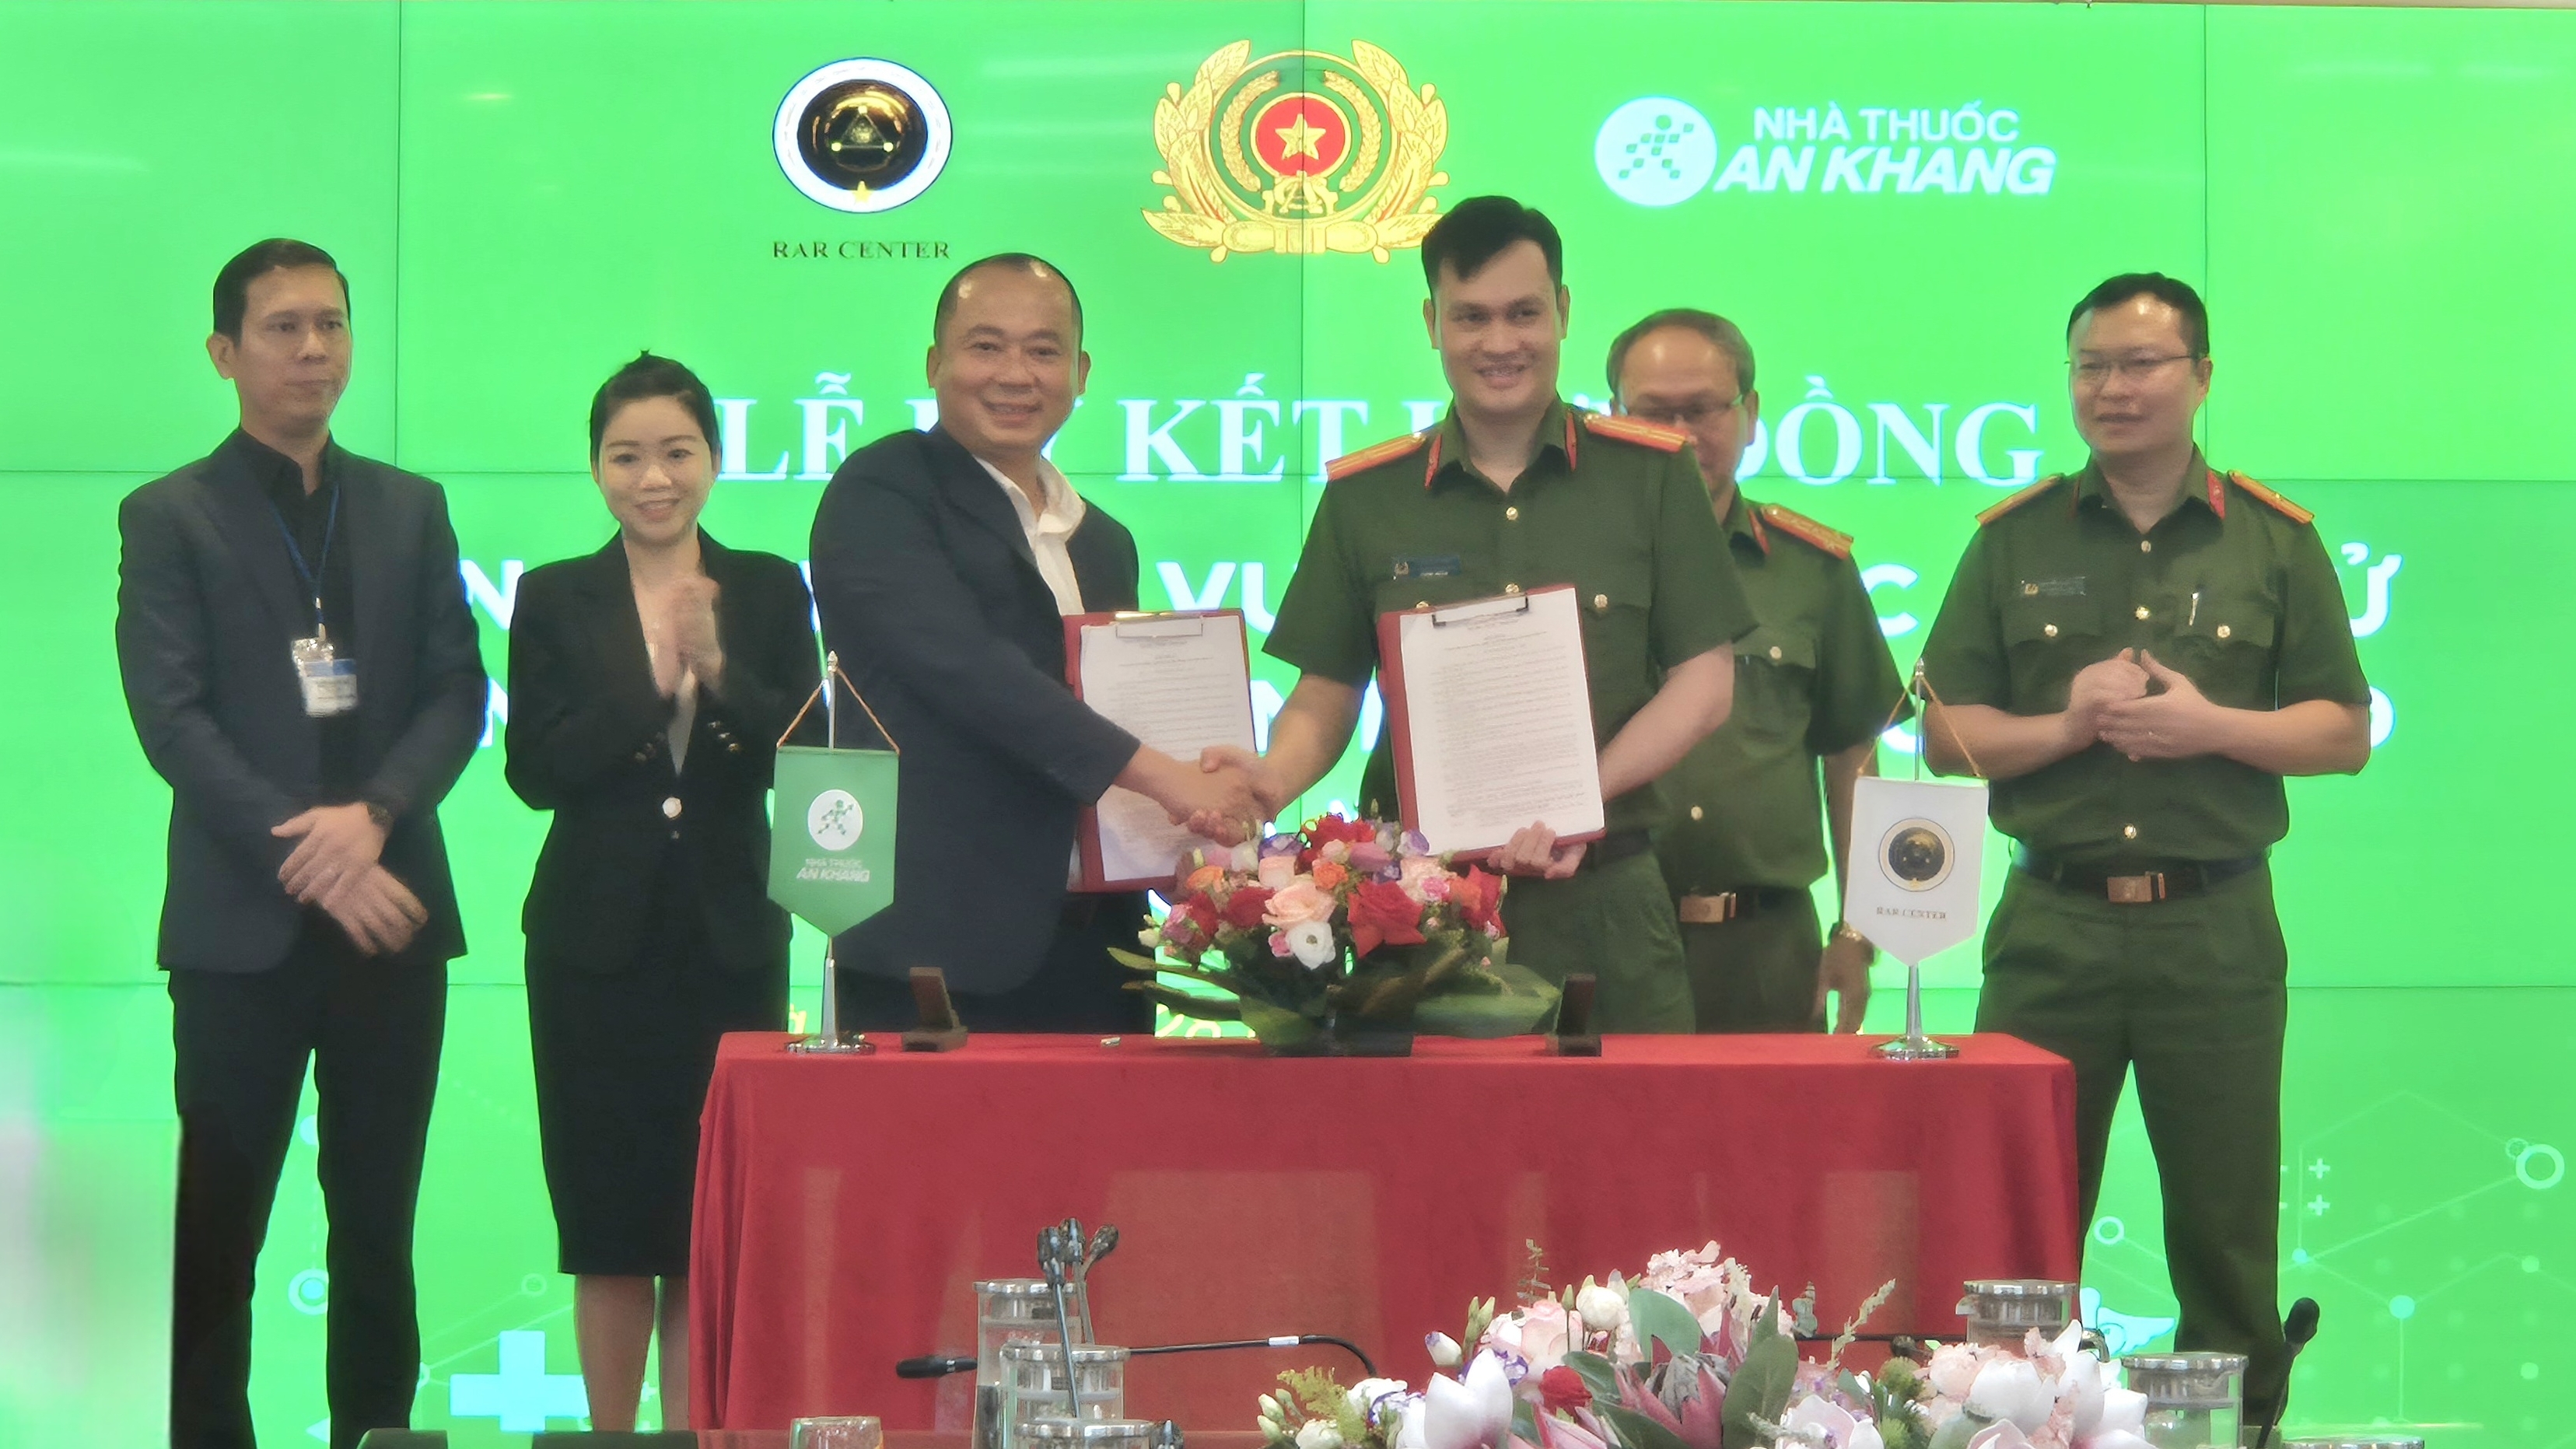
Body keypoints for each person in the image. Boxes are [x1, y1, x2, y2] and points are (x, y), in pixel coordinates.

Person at [1918, 273, 2370, 1422]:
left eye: (2141, 364)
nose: (2113, 388)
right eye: (2091, 367)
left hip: (2213, 926)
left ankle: (2231, 1427)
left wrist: (2212, 727)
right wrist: (2066, 727)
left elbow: (2344, 731)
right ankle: (2013, 1424)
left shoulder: (2274, 541)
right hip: (2051, 925)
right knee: (2022, 1211)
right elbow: (1946, 734)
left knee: (2223, 1219)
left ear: (2201, 377)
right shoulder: (2012, 540)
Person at [115, 239, 485, 1449]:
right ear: (225, 353)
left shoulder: (409, 507)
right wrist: (313, 854)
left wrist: (372, 817)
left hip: (391, 921)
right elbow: (172, 716)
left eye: (331, 324)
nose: (313, 349)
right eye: (283, 328)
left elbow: (457, 689)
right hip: (241, 930)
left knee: (378, 1227)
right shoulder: (170, 515)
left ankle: (375, 1433)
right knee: (218, 1230)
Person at [1227, 197, 1756, 1032]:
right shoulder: (1369, 498)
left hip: (1605, 903)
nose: (1500, 342)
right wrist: (1271, 780)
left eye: (1524, 313)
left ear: (1564, 312)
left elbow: (1705, 683)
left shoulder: (1652, 478)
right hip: (1415, 915)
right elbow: (1327, 693)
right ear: (1432, 322)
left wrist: (1580, 799)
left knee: (1630, 1119)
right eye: (1471, 316)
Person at [809, 254, 1263, 1030]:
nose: (1016, 374)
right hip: (937, 957)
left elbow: (1111, 713)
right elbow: (967, 670)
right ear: (935, 363)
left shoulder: (1105, 540)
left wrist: (1186, 844)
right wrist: (1168, 779)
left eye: (1044, 351)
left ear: (1081, 373)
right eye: (986, 346)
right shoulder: (883, 491)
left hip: (1101, 952)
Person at [504, 353, 817, 1430]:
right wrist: (650, 686)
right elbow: (535, 770)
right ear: (596, 468)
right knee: (605, 1221)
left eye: (677, 452)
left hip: (730, 937)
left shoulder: (768, 586)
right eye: (627, 456)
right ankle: (610, 1434)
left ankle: (694, 1431)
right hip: (591, 945)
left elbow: (809, 751)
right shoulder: (555, 595)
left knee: (706, 1222)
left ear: (714, 461)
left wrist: (718, 668)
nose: (654, 478)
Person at [1607, 310, 1906, 1032]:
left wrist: (1859, 928)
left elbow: (1854, 755)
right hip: (1609, 940)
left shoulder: (1813, 570)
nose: (1682, 432)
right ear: (1613, 418)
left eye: (1704, 408)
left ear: (1750, 413)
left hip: (1768, 951)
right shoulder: (1576, 569)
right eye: (1654, 412)